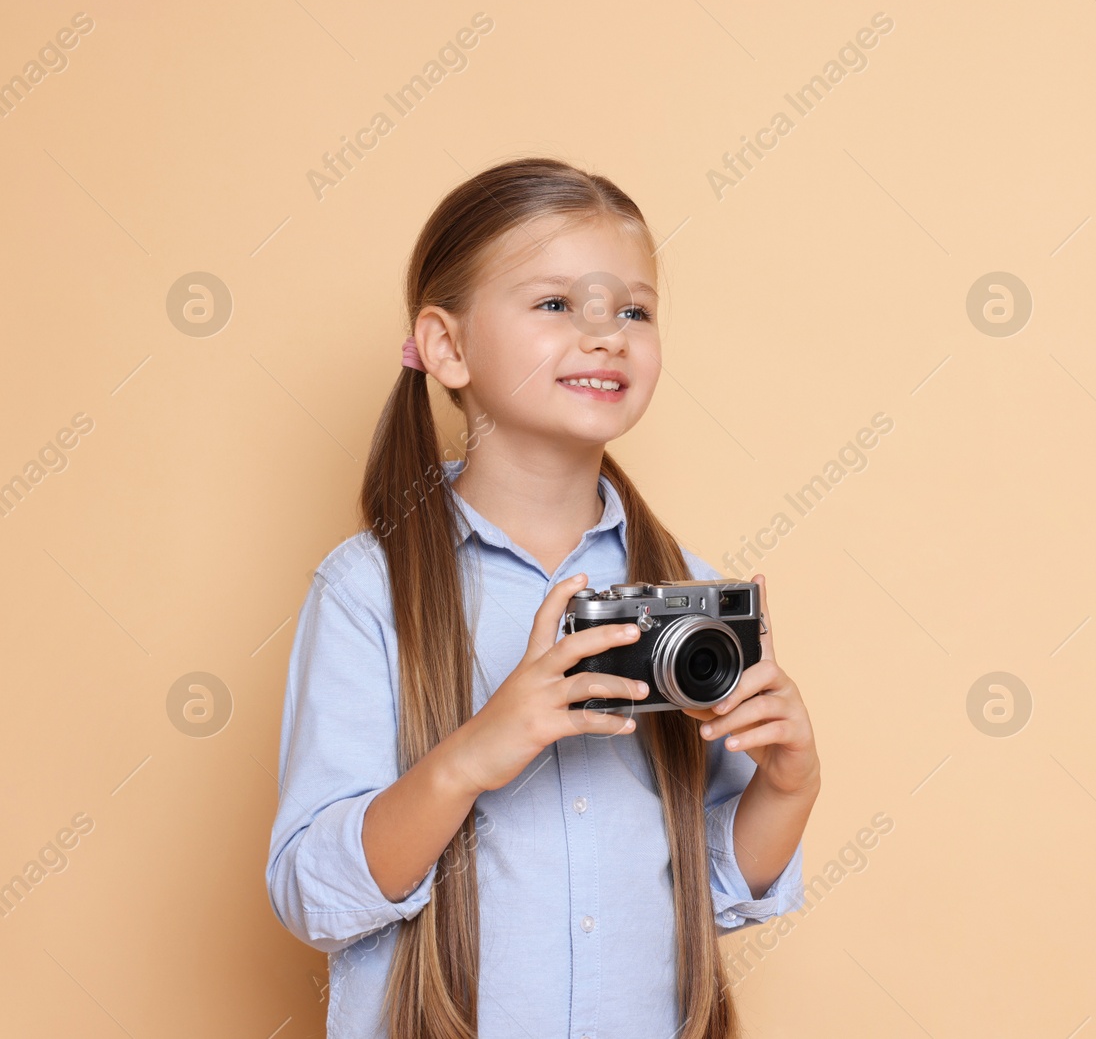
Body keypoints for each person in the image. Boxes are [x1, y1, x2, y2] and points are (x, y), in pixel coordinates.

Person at [265, 157, 821, 1039]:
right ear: (447, 345)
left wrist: (788, 787)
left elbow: (706, 891)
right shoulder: (367, 589)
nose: (607, 336)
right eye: (558, 304)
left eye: (632, 310)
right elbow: (314, 897)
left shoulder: (683, 592)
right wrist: (479, 749)